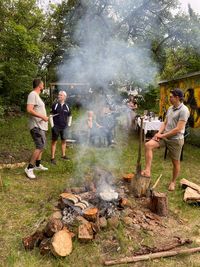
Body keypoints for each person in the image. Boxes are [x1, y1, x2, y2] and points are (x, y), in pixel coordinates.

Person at [141, 88, 190, 191]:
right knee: (148, 145)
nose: (169, 98)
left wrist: (162, 136)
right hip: (165, 137)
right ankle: (148, 170)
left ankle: (173, 182)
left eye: (171, 97)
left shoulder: (184, 110)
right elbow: (165, 122)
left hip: (176, 140)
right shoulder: (170, 108)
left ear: (177, 98)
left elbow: (179, 129)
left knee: (175, 162)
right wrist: (159, 133)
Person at [25, 78, 48, 179]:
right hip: (35, 126)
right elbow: (29, 110)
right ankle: (29, 168)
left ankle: (37, 165)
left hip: (40, 125)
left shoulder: (37, 96)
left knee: (42, 145)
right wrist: (42, 117)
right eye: (42, 83)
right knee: (40, 146)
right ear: (39, 85)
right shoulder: (33, 94)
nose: (44, 85)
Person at [51, 91, 71, 164]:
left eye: (61, 95)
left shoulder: (67, 106)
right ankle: (52, 158)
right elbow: (51, 115)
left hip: (64, 127)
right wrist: (52, 126)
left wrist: (68, 125)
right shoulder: (55, 105)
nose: (59, 96)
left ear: (64, 97)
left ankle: (63, 155)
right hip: (56, 126)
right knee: (54, 142)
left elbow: (70, 116)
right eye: (59, 95)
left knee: (64, 141)